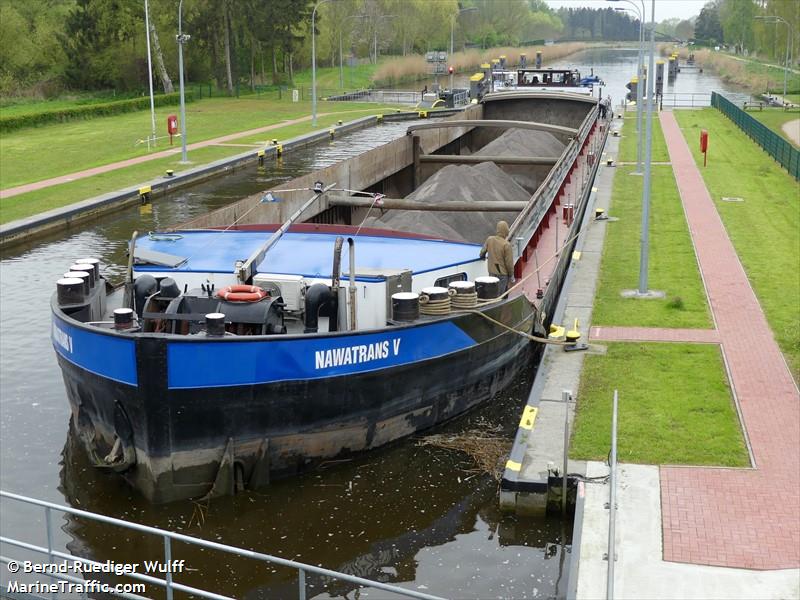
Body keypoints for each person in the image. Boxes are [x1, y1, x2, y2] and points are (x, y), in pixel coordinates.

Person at [480, 220, 515, 294]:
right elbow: (509, 263)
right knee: (501, 295)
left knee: (492, 293)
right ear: (506, 231)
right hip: (502, 275)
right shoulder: (506, 245)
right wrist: (511, 275)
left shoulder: (490, 239)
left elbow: (482, 252)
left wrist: (482, 257)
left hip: (491, 272)